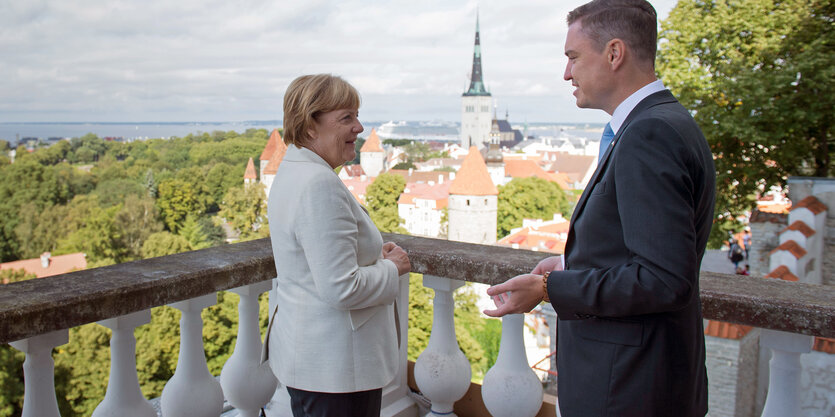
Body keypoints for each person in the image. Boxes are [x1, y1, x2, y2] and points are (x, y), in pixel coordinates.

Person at [483, 1, 714, 416]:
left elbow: (664, 278)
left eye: (573, 57)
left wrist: (551, 289)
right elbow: (644, 250)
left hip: (627, 384)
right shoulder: (667, 120)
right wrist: (574, 262)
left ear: (614, 53)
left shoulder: (649, 134)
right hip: (645, 375)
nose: (566, 73)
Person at [265, 74, 411, 417]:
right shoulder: (319, 184)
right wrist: (392, 268)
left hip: (315, 360)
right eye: (346, 117)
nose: (359, 127)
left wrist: (373, 255)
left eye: (356, 116)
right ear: (310, 125)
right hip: (334, 369)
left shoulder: (294, 171)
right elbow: (341, 287)